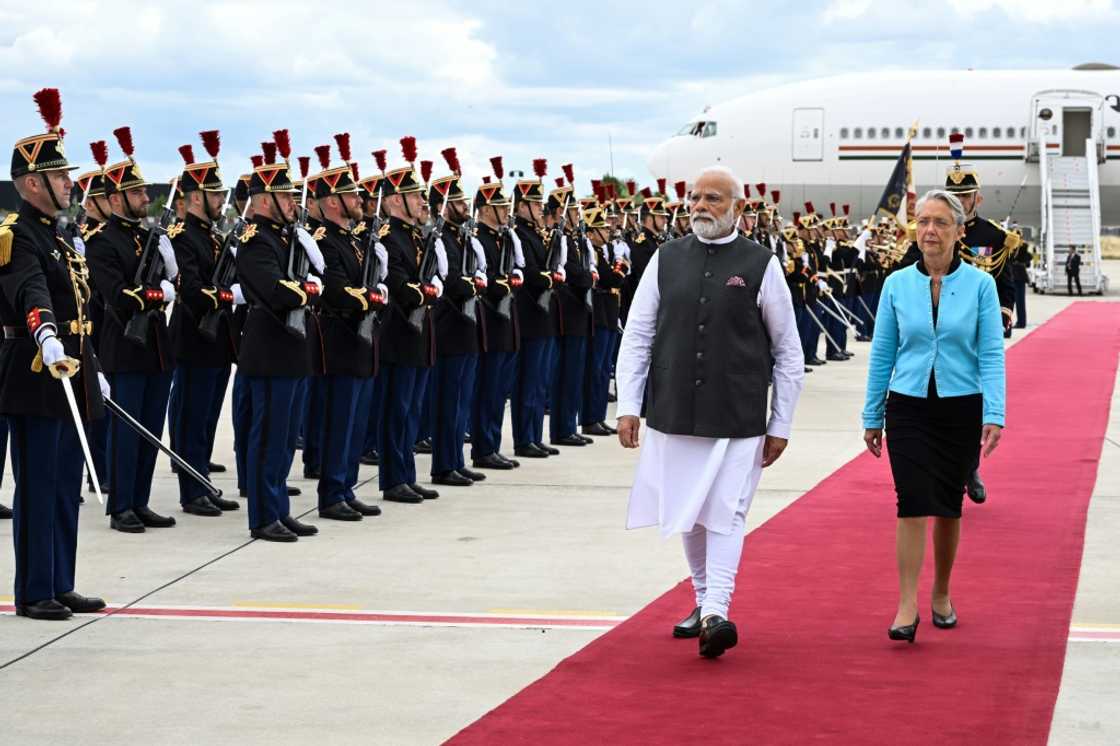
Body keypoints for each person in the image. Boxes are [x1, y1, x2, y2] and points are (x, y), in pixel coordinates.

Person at [616, 165, 804, 658]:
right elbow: (637, 335)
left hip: (737, 417)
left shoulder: (762, 264)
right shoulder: (665, 259)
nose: (700, 206)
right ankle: (703, 603)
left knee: (726, 513)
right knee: (689, 511)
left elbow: (788, 351)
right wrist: (628, 405)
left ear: (738, 208)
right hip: (674, 410)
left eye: (713, 199)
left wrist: (780, 422)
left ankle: (718, 608)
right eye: (696, 197)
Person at [862, 189, 1005, 643]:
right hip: (908, 404)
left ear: (959, 231)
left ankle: (941, 593)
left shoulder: (981, 285)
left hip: (961, 405)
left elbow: (990, 353)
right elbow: (882, 352)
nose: (929, 231)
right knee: (911, 501)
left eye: (941, 222)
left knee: (948, 505)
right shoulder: (897, 284)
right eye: (923, 221)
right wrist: (872, 414)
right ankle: (907, 604)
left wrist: (995, 411)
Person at [1, 88, 106, 619]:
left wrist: (97, 369)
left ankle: (60, 580)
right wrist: (46, 335)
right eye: (62, 176)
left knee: (67, 487)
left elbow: (84, 311)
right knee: (39, 485)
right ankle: (35, 589)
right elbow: (31, 295)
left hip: (73, 373)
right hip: (38, 371)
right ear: (32, 183)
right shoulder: (17, 236)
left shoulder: (61, 239)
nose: (71, 183)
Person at [86, 126, 178, 533]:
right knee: (126, 434)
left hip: (156, 346)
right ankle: (120, 505)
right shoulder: (103, 242)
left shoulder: (149, 238)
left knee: (150, 432)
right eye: (138, 193)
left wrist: (168, 272)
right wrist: (160, 293)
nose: (146, 198)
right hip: (123, 346)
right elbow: (120, 296)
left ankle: (139, 500)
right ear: (114, 199)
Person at [235, 142, 321, 542]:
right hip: (269, 349)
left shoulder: (287, 238)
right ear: (264, 199)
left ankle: (280, 509)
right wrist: (308, 289)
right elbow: (274, 290)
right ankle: (263, 514)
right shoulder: (256, 240)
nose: (291, 202)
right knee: (268, 435)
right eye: (285, 195)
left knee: (286, 437)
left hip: (292, 346)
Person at [167, 132, 241, 517]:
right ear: (196, 197)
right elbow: (193, 289)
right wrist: (227, 294)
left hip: (217, 340)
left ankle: (202, 483)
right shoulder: (183, 237)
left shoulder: (213, 238)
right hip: (195, 337)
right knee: (192, 417)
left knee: (209, 417)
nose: (220, 202)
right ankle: (190, 490)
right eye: (214, 196)